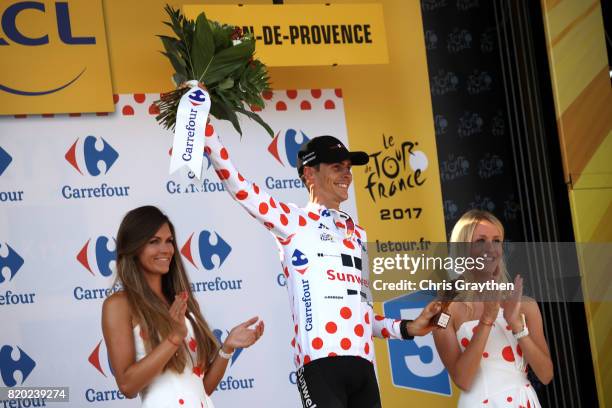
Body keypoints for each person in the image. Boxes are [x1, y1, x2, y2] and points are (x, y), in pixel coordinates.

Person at [203, 123, 441, 407]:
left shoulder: (359, 234)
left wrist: (409, 327)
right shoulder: (292, 221)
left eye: (349, 167)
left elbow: (364, 316)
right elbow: (239, 186)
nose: (347, 175)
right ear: (309, 173)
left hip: (364, 368)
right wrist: (204, 128)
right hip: (319, 366)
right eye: (337, 167)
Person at [101, 205, 264, 407]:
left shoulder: (181, 301)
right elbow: (127, 386)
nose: (166, 249)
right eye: (154, 241)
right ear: (134, 248)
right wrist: (173, 338)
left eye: (169, 241)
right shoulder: (119, 304)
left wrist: (227, 347)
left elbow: (201, 388)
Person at [433, 209, 553, 407]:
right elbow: (463, 380)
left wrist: (517, 326)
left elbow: (546, 374)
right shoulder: (444, 312)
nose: (491, 248)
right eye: (480, 241)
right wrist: (487, 319)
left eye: (496, 240)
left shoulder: (526, 306)